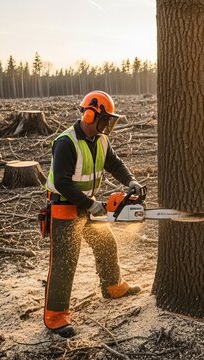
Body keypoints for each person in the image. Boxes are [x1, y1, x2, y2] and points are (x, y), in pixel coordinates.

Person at [43, 90, 142, 338]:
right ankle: (55, 316)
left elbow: (114, 164)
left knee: (106, 243)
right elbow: (64, 183)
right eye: (105, 119)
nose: (107, 124)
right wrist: (89, 204)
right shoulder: (66, 143)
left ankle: (112, 286)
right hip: (64, 206)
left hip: (87, 205)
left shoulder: (101, 139)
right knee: (65, 261)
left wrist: (130, 180)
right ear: (90, 115)